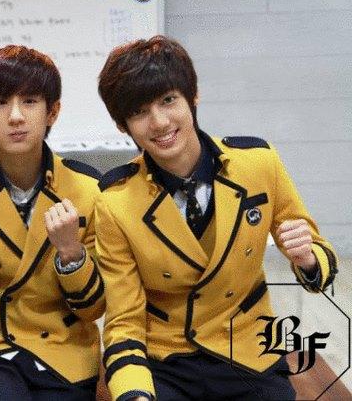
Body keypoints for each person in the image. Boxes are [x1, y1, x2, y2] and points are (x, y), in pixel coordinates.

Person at [95, 35, 338, 401]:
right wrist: (134, 393)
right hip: (167, 359)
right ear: (122, 125)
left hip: (247, 346)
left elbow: (320, 260)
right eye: (139, 112)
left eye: (168, 100)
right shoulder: (115, 201)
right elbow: (123, 321)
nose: (159, 122)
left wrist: (307, 259)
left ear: (193, 96)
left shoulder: (258, 163)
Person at [0, 45, 105, 401]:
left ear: (52, 111)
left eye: (29, 101)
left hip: (64, 351)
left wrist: (71, 254)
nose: (15, 116)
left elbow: (92, 308)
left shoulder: (88, 190)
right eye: (0, 103)